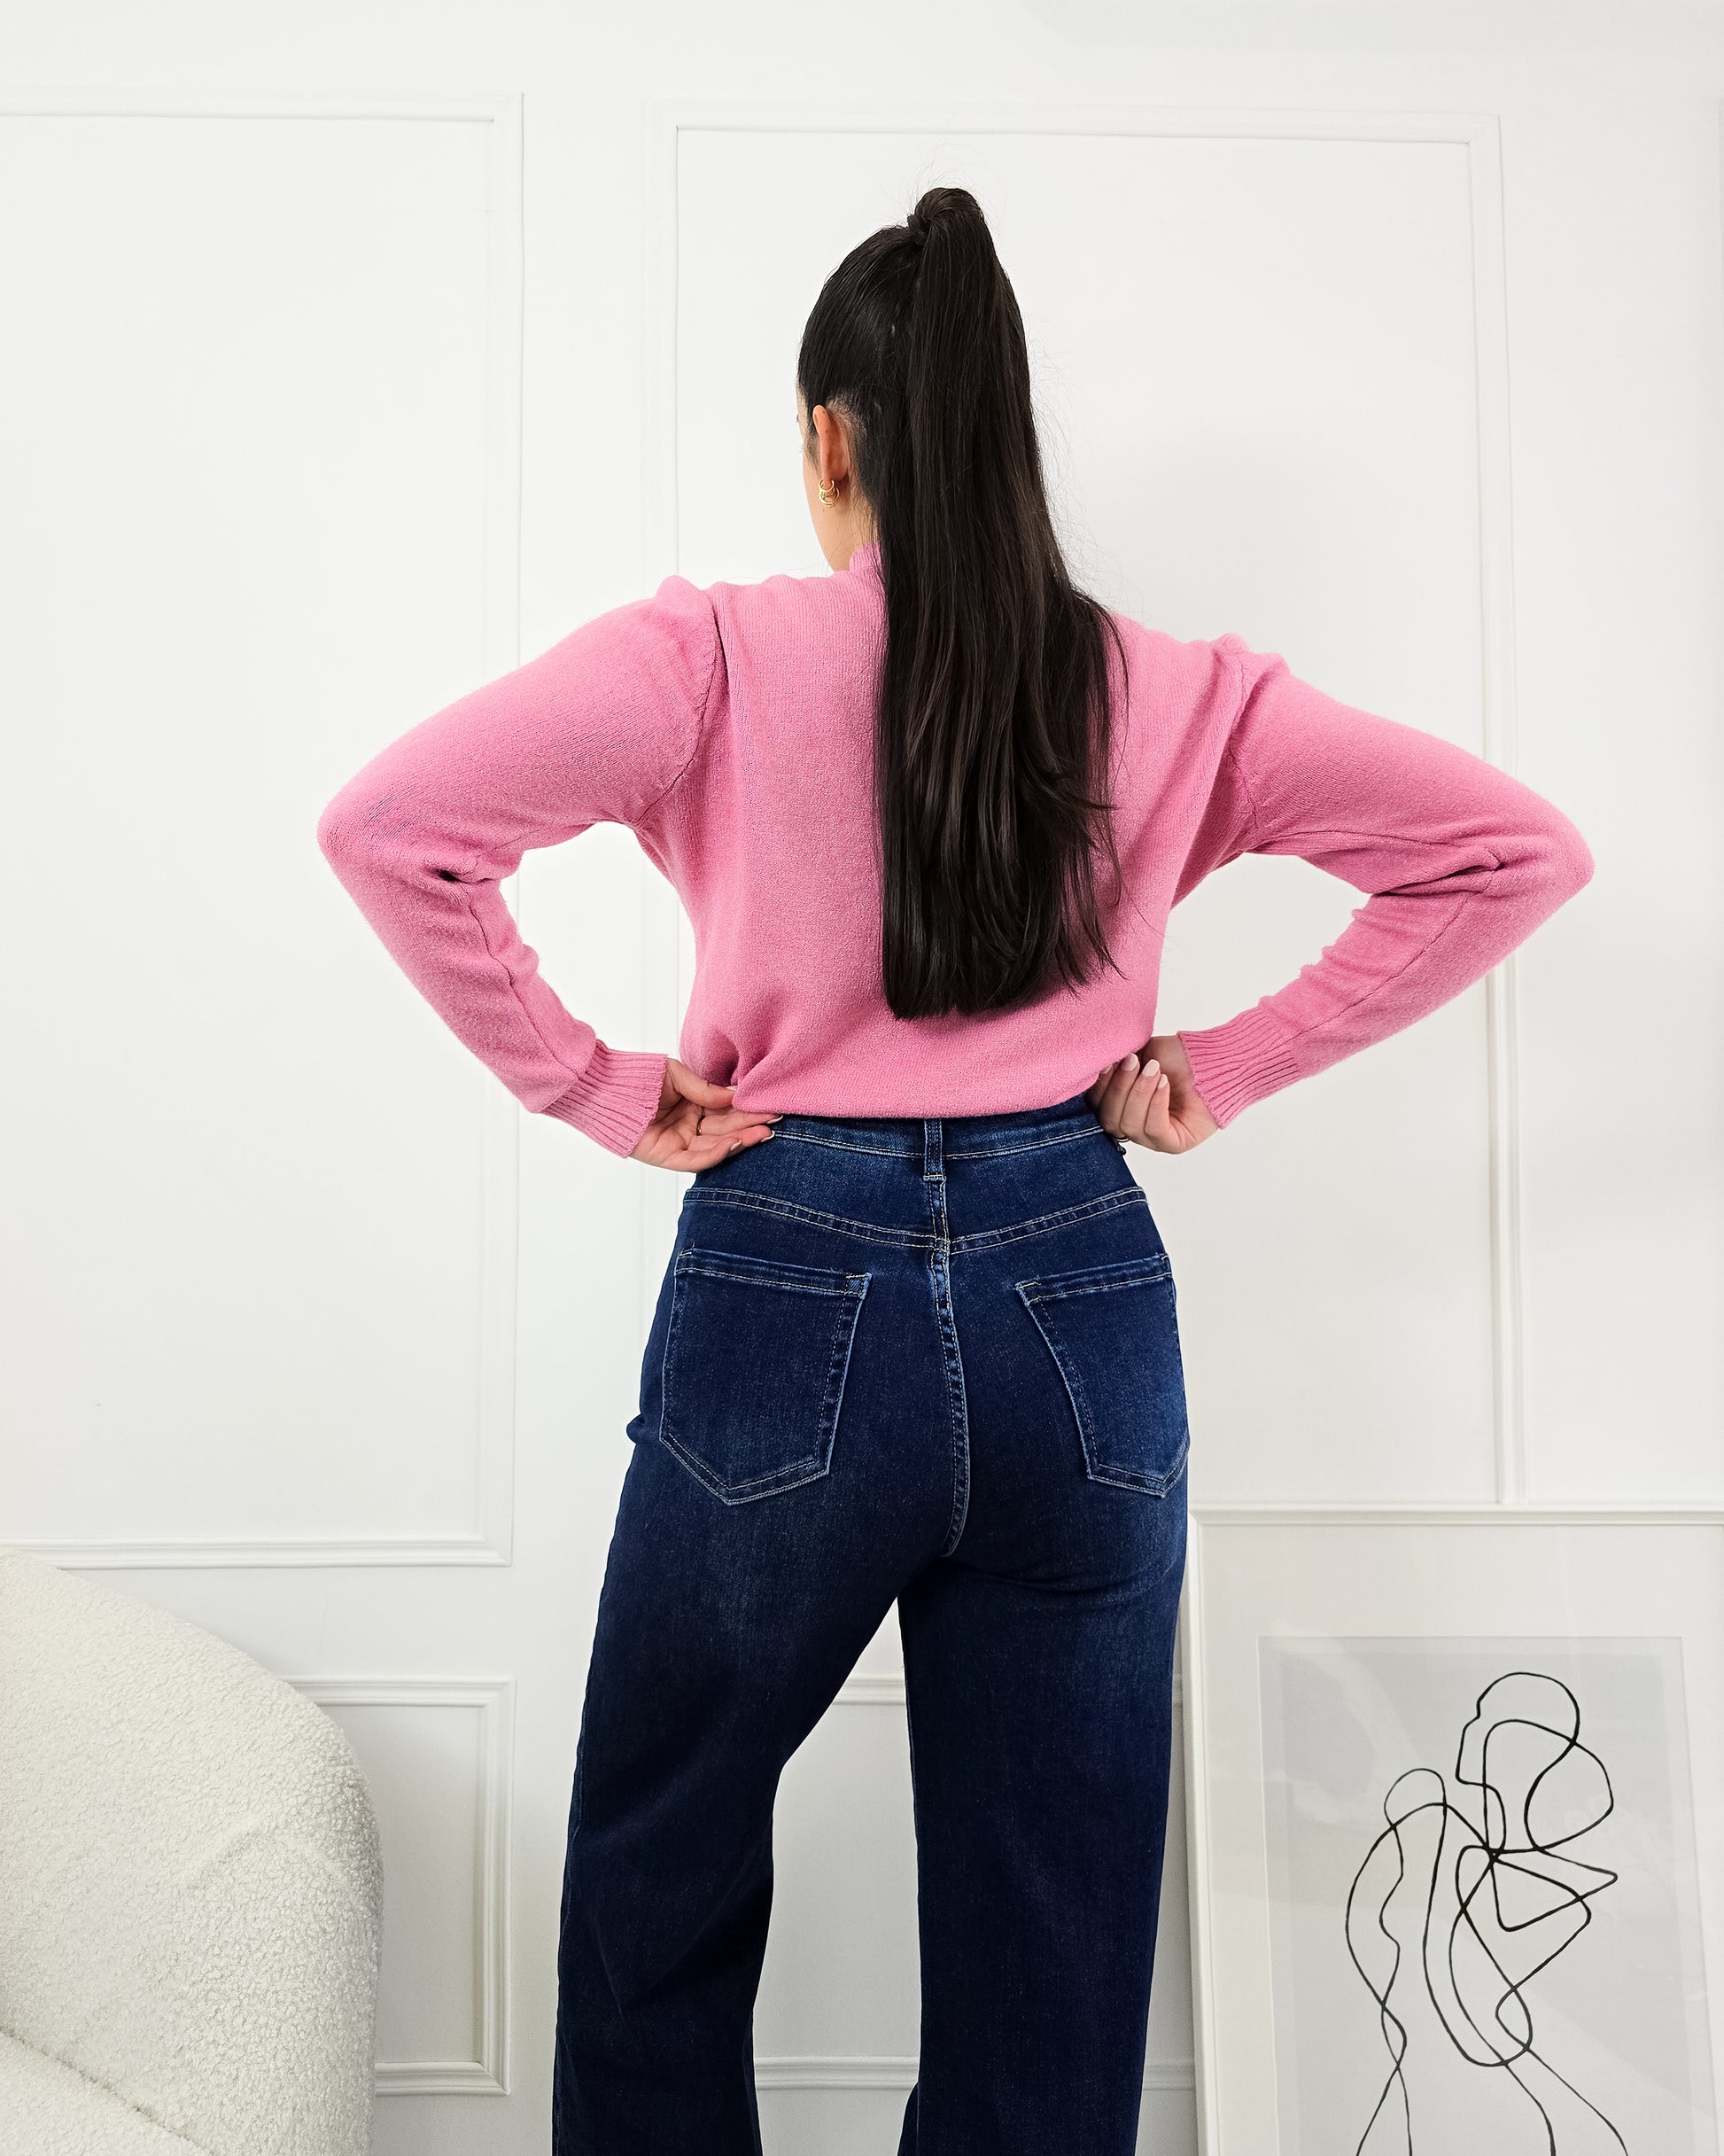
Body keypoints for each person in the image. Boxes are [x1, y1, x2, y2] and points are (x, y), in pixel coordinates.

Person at [315, 186, 1593, 2156]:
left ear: (829, 439)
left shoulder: (711, 659)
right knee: (1052, 1933)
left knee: (661, 1860)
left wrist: (593, 1085)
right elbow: (1512, 853)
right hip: (1078, 1296)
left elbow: (393, 827)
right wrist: (1221, 1067)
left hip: (785, 1282)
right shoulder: (1176, 694)